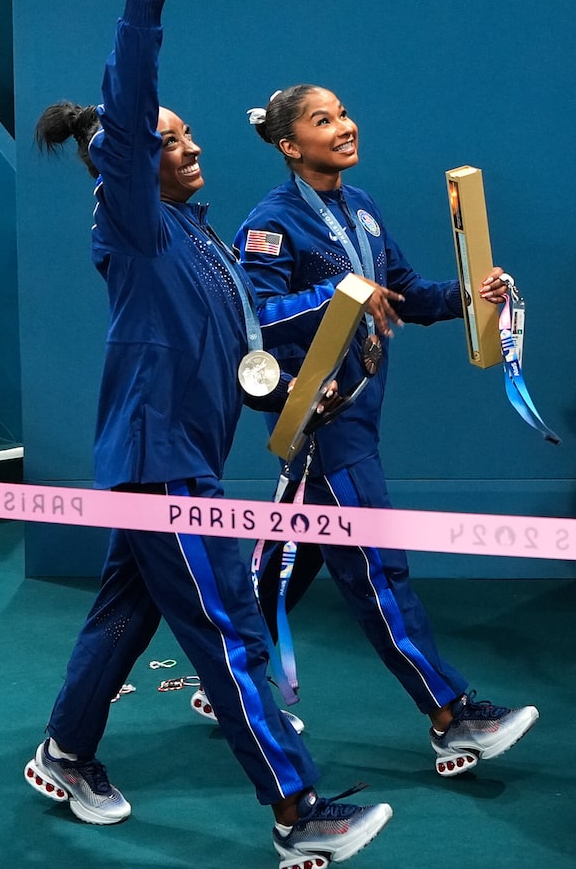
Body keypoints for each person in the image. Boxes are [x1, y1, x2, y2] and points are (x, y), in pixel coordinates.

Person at [28, 0, 393, 869]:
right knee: (228, 629)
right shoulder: (133, 227)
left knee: (125, 616)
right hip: (158, 464)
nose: (187, 148)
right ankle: (298, 814)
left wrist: (348, 305)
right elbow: (131, 108)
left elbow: (253, 335)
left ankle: (62, 753)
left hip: (176, 454)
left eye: (189, 138)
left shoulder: (200, 238)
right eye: (168, 139)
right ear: (129, 161)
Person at [228, 83, 540, 780]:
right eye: (323, 119)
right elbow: (253, 317)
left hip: (361, 417)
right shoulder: (272, 222)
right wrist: (339, 294)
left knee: (290, 559)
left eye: (342, 113)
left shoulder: (360, 209)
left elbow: (404, 291)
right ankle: (451, 717)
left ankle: (226, 684)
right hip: (324, 424)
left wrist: (471, 298)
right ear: (288, 144)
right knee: (376, 572)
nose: (344, 125)